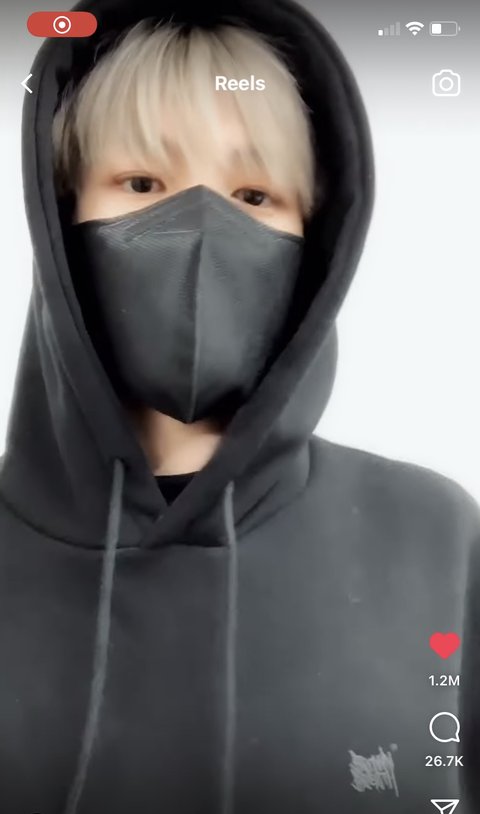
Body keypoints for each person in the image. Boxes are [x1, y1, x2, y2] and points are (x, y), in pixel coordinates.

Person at [0, 0, 478, 812]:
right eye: (143, 183)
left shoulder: (436, 540)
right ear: (60, 214)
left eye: (254, 194)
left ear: (315, 241)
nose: (202, 231)